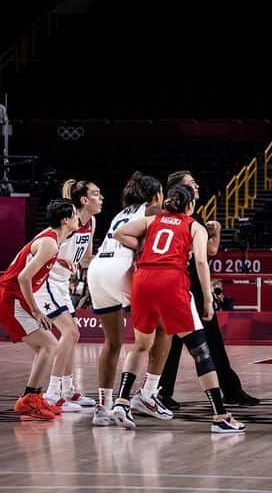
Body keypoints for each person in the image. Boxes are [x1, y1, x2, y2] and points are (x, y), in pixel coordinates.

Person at [109, 183, 245, 434]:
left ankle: (121, 402)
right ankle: (220, 416)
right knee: (201, 351)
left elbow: (119, 233)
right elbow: (202, 262)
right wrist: (206, 297)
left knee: (141, 345)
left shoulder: (154, 221)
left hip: (143, 281)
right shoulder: (194, 225)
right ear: (191, 206)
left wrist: (141, 247)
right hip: (171, 283)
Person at [157, 170, 258, 408]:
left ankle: (228, 388)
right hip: (183, 287)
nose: (197, 186)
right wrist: (207, 296)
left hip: (180, 285)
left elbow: (208, 251)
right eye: (191, 184)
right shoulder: (186, 220)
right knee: (183, 344)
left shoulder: (172, 218)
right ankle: (163, 392)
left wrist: (216, 230)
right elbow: (207, 256)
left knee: (200, 341)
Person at [0, 199, 80, 420]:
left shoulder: (50, 237)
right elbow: (23, 276)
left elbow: (28, 259)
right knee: (49, 346)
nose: (78, 218)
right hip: (10, 299)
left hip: (10, 298)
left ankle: (33, 397)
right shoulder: (50, 243)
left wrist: (61, 262)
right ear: (65, 220)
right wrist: (37, 310)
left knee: (49, 346)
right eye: (75, 214)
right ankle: (30, 399)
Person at [88, 172, 165, 427]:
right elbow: (139, 241)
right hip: (121, 271)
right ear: (156, 195)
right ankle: (148, 393)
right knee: (163, 329)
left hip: (98, 270)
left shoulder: (121, 213)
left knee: (112, 343)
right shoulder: (153, 209)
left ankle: (103, 407)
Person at [32, 179, 103, 412]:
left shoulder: (91, 221)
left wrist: (109, 257)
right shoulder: (65, 223)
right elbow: (41, 247)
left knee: (72, 335)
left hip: (62, 283)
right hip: (46, 280)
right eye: (96, 193)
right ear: (84, 200)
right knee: (71, 332)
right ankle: (52, 394)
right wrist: (57, 260)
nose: (101, 197)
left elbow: (84, 259)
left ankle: (69, 391)